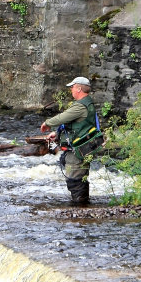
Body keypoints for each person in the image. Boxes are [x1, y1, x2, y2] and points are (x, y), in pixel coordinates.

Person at [40, 76, 98, 205]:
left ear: (78, 88)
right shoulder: (86, 103)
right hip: (82, 147)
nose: (71, 90)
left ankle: (80, 207)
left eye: (72, 87)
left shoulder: (80, 106)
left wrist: (47, 123)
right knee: (79, 178)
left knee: (75, 179)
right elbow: (77, 125)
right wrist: (57, 133)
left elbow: (63, 117)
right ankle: (82, 205)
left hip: (78, 150)